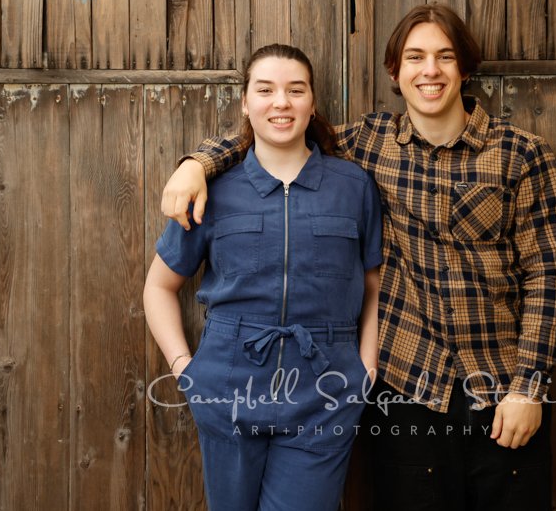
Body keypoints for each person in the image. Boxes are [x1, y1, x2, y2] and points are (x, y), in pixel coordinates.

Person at [161, 3, 556, 510]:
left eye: (444, 57)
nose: (430, 70)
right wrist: (197, 163)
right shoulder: (369, 144)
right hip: (407, 389)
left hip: (500, 388)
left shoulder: (522, 154)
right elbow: (275, 131)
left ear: (464, 68)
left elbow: (548, 278)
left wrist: (529, 387)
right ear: (395, 72)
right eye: (415, 57)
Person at [144, 43, 382, 511]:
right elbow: (159, 286)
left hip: (325, 388)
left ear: (312, 104)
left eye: (296, 90)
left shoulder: (352, 186)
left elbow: (372, 286)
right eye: (266, 90)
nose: (281, 102)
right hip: (227, 383)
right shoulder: (211, 190)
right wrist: (185, 371)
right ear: (246, 103)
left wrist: (364, 369)